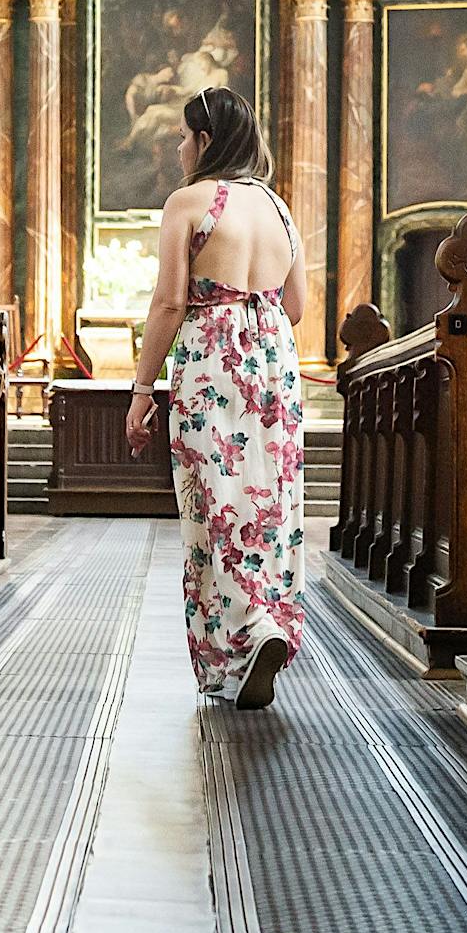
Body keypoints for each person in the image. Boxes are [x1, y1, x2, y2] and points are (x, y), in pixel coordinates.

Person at [125, 86, 307, 709]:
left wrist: (141, 390)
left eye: (183, 137)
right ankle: (270, 621)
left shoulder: (188, 202)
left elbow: (169, 302)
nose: (179, 148)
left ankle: (240, 641)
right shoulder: (279, 209)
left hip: (212, 359)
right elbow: (297, 305)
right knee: (270, 498)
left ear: (205, 140)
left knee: (216, 501)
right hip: (275, 358)